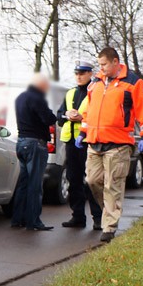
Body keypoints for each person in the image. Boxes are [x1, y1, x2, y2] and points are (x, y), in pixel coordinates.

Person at [78, 47, 143, 243]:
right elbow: (89, 110)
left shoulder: (132, 82)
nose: (101, 68)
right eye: (100, 64)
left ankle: (109, 226)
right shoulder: (96, 82)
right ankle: (109, 210)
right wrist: (82, 131)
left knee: (112, 185)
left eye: (104, 64)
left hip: (118, 143)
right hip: (94, 141)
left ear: (115, 62)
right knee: (92, 180)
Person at [57, 61, 103, 230]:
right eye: (77, 73)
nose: (79, 76)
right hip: (71, 142)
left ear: (90, 74)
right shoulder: (70, 93)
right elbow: (59, 115)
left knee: (91, 181)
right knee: (73, 180)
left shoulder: (96, 92)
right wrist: (66, 115)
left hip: (88, 142)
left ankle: (98, 218)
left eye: (82, 73)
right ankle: (78, 216)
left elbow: (100, 117)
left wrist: (82, 119)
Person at [11, 73, 57, 231]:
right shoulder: (37, 98)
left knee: (23, 183)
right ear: (41, 85)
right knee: (35, 184)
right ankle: (34, 222)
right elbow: (49, 118)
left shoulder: (20, 97)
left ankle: (17, 219)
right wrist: (54, 115)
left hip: (21, 142)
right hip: (35, 144)